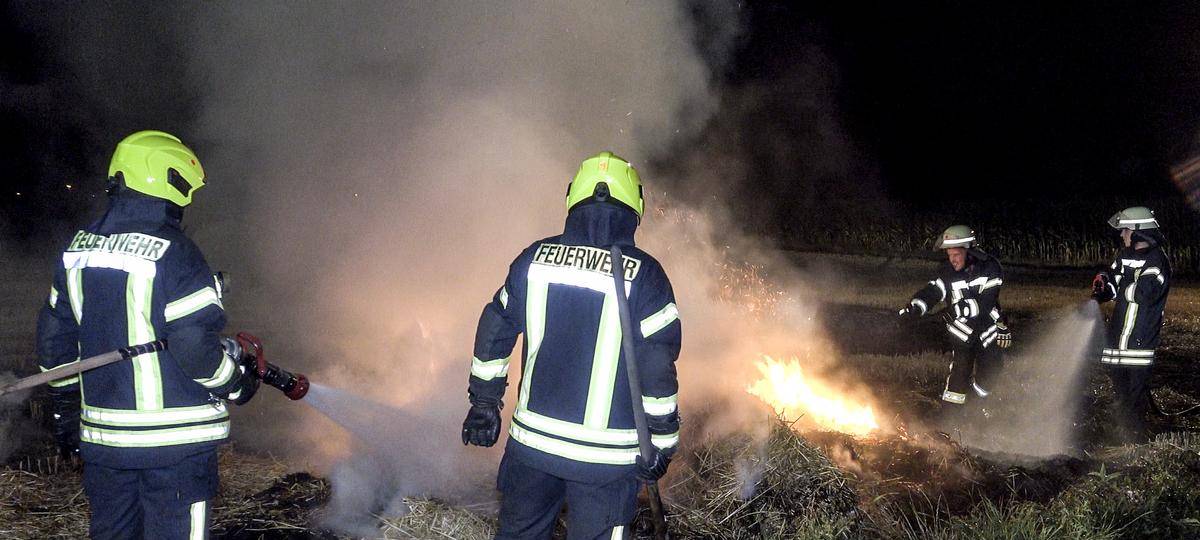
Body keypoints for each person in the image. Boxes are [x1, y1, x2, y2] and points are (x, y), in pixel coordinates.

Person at [37, 130, 259, 539]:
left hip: (105, 445)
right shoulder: (176, 252)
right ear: (169, 180)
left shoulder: (77, 250)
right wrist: (236, 382)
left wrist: (64, 411)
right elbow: (194, 348)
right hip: (175, 448)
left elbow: (56, 344)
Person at [461, 151, 681, 539]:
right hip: (605, 465)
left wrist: (483, 403)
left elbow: (494, 330)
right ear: (635, 205)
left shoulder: (534, 260)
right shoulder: (646, 276)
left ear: (572, 198)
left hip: (531, 450)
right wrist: (662, 442)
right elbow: (657, 365)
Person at [898, 225, 1011, 413]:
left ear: (969, 251)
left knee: (992, 370)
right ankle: (951, 417)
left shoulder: (991, 268)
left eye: (956, 255)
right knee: (959, 376)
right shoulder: (947, 271)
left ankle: (976, 405)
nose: (952, 260)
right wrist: (915, 308)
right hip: (961, 334)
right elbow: (934, 291)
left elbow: (986, 303)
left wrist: (955, 309)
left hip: (987, 331)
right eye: (949, 255)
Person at [1091, 206, 1170, 443]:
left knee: (1135, 397)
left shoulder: (1157, 260)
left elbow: (1144, 292)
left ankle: (1134, 442)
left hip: (1139, 342)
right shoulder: (1124, 256)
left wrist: (1121, 283)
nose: (1122, 235)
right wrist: (1104, 284)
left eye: (1125, 230)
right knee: (1121, 394)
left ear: (1137, 231)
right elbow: (1115, 282)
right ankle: (1120, 434)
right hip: (1118, 341)